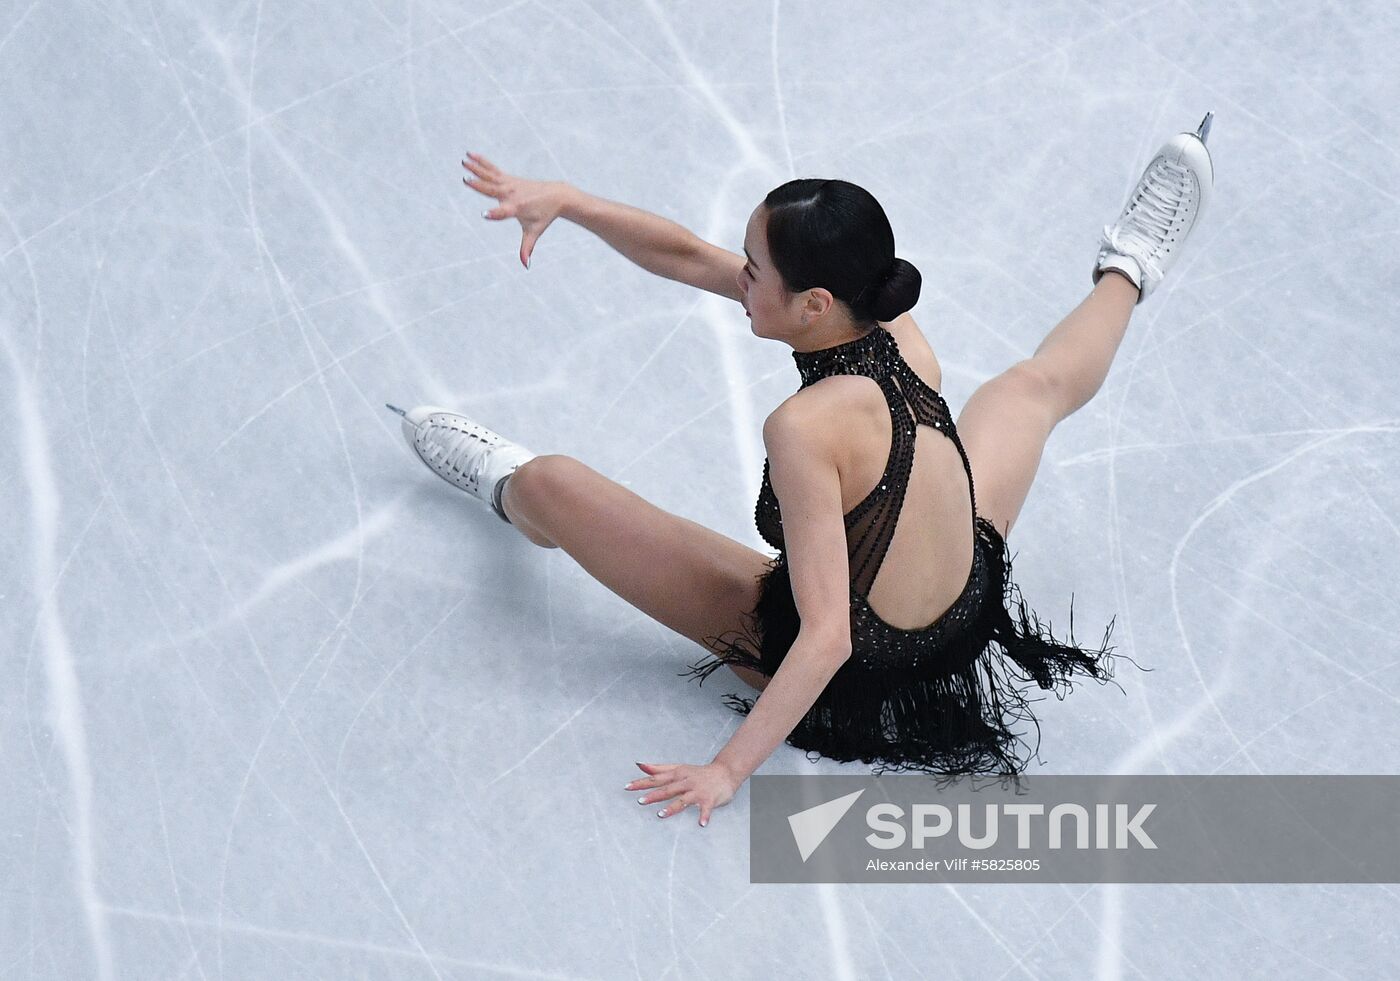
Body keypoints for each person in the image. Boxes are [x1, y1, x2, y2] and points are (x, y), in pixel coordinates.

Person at [387, 113, 1216, 827]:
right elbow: (686, 256)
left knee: (553, 484)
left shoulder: (805, 429)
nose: (736, 275)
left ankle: (508, 489)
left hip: (863, 678)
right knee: (1030, 389)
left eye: (754, 270)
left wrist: (726, 771)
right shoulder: (886, 316)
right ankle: (1129, 266)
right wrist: (569, 203)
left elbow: (826, 638)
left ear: (813, 304)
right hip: (961, 601)